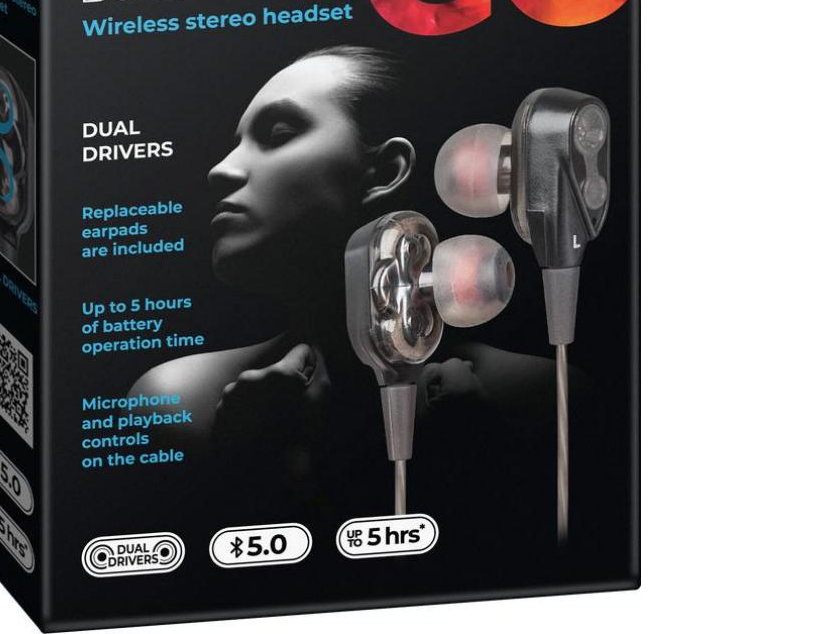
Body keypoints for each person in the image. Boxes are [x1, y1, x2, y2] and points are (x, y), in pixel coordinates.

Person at [128, 46, 568, 526]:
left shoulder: (545, 403)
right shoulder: (172, 403)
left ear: (385, 171)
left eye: (278, 135)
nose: (221, 170)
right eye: (236, 143)